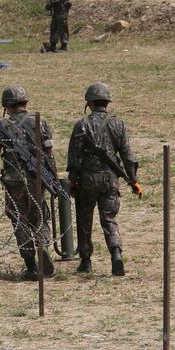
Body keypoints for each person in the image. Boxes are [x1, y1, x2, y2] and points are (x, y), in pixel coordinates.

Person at [0, 85, 58, 280]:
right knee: (39, 216)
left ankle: (30, 265)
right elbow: (49, 155)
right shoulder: (41, 123)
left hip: (14, 181)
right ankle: (43, 247)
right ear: (26, 103)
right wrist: (53, 179)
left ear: (6, 106)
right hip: (38, 178)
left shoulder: (2, 127)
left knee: (20, 219)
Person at [67, 82, 142, 276]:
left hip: (87, 180)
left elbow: (74, 158)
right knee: (109, 219)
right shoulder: (118, 124)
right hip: (110, 179)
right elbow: (128, 156)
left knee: (85, 220)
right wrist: (133, 180)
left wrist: (72, 181)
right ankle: (116, 253)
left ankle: (86, 261)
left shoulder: (82, 124)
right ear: (107, 102)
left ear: (89, 102)